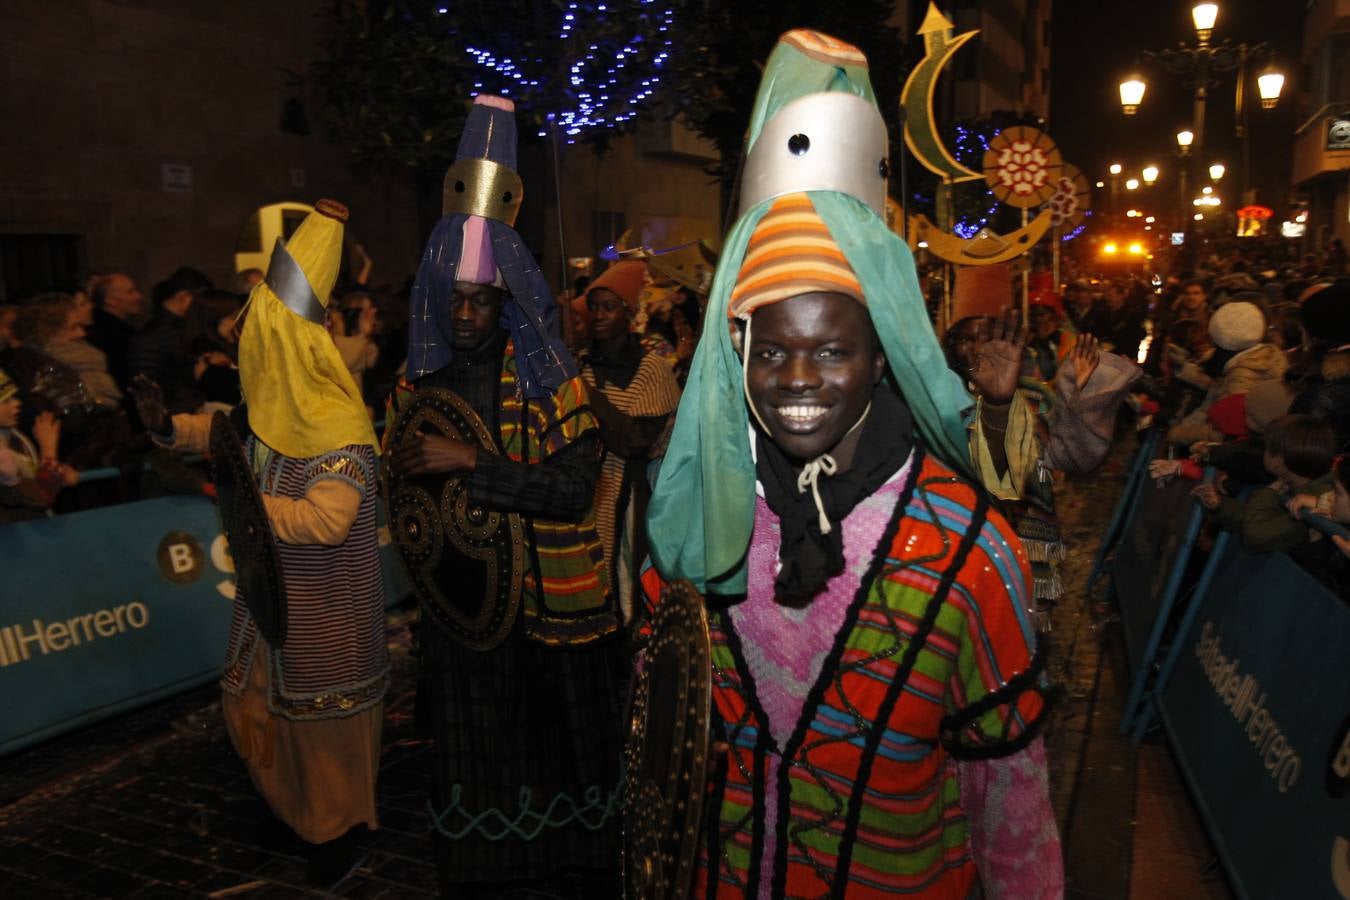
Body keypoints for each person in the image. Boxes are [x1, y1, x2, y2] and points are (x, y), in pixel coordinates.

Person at [643, 31, 1061, 898]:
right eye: (772, 353)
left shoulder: (967, 551)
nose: (798, 381)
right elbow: (665, 762)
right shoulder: (690, 523)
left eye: (832, 351)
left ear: (881, 356)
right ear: (737, 350)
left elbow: (1009, 798)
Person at [387, 94, 621, 899]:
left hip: (551, 614)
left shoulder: (555, 382)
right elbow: (407, 509)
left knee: (555, 752)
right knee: (480, 757)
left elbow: (568, 491)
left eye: (479, 299)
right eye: (450, 297)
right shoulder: (418, 385)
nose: (462, 313)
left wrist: (470, 461)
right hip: (466, 620)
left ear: (509, 299)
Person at [130, 200, 387, 886]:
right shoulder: (271, 413)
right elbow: (221, 433)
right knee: (259, 711)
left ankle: (335, 835)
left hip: (325, 607)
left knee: (322, 735)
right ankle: (298, 816)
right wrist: (168, 430)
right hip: (275, 603)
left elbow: (327, 521)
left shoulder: (336, 423)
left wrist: (247, 501)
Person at [944, 264, 1140, 626]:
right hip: (956, 531)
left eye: (987, 337)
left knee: (1027, 629)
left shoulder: (1034, 396)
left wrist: (1082, 396)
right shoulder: (932, 399)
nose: (975, 348)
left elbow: (1075, 458)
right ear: (950, 344)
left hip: (1029, 530)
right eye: (965, 338)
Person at [577, 260, 682, 622]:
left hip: (637, 501)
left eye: (609, 307)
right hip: (591, 498)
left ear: (629, 313)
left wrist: (586, 393)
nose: (599, 316)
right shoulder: (582, 365)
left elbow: (636, 441)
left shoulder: (652, 369)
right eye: (594, 308)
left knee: (632, 594)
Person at [0, 368, 78, 523]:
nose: (17, 403)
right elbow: (38, 496)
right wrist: (48, 450)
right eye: (5, 401)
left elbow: (32, 474)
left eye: (14, 397)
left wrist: (58, 471)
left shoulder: (14, 437)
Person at [129, 265, 213, 388]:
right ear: (183, 297)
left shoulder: (182, 327)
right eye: (200, 300)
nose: (204, 307)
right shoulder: (153, 337)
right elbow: (145, 386)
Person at [86, 271, 146, 389]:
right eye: (130, 292)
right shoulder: (112, 336)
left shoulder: (120, 331)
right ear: (110, 300)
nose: (139, 296)